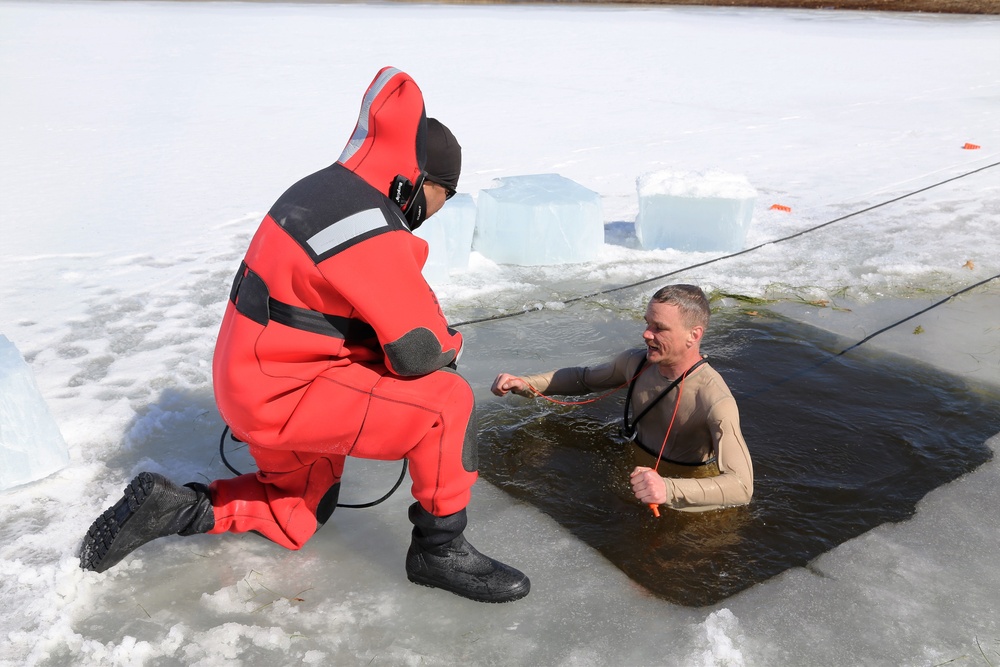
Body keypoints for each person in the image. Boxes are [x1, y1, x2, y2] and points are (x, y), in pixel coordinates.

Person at [79, 67, 530, 604]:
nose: (437, 212)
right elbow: (417, 353)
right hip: (286, 393)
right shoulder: (367, 221)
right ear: (422, 180)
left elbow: (324, 303)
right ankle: (440, 549)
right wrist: (451, 345)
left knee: (298, 512)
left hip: (251, 381)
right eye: (445, 196)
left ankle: (176, 508)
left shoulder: (325, 189)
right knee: (447, 403)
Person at [491, 284, 752, 513]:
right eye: (647, 322)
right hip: (635, 473)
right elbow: (584, 379)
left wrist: (668, 488)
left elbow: (742, 486)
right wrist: (527, 384)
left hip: (684, 493)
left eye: (659, 328)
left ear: (693, 335)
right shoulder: (635, 362)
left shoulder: (715, 400)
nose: (646, 334)